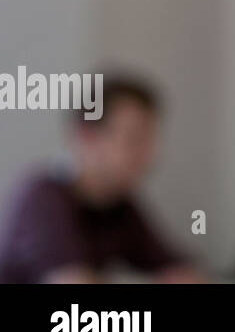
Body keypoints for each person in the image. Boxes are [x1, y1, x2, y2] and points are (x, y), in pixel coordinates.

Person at [0, 75, 202, 283]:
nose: (151, 155)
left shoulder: (118, 205)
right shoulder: (43, 199)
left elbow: (181, 271)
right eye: (134, 139)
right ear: (86, 137)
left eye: (151, 139)